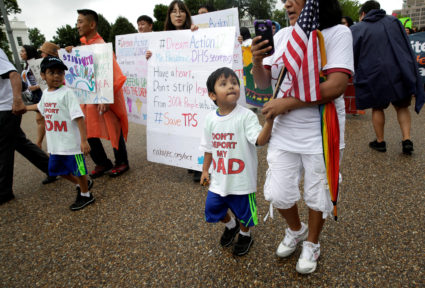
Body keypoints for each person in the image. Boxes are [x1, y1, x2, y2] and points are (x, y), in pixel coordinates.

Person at [251, 0, 353, 274]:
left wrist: (286, 104)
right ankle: (296, 229)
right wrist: (257, 60)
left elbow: (336, 85)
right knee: (278, 191)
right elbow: (262, 82)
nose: (286, 3)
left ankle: (312, 243)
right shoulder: (284, 35)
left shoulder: (337, 33)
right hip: (285, 131)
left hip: (320, 128)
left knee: (318, 192)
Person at [200, 67, 273, 256]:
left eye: (234, 82)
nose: (231, 86)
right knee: (212, 208)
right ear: (212, 95)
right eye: (223, 84)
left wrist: (269, 122)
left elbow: (258, 141)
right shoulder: (209, 119)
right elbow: (208, 148)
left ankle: (244, 234)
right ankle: (231, 226)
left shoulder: (246, 116)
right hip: (219, 180)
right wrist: (205, 171)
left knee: (245, 215)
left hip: (242, 181)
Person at [350, 0, 424, 155]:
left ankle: (380, 141)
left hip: (374, 73)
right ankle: (406, 139)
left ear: (363, 13)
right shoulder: (394, 21)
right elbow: (405, 45)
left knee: (377, 107)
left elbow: (353, 54)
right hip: (398, 69)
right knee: (402, 106)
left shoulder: (358, 28)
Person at [25, 56, 95, 211]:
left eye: (60, 72)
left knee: (79, 169)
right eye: (52, 72)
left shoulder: (67, 93)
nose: (56, 76)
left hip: (71, 143)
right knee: (55, 170)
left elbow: (79, 117)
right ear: (43, 75)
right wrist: (24, 108)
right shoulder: (46, 93)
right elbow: (40, 107)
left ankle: (86, 195)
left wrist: (83, 141)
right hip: (56, 143)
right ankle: (80, 184)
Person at [72, 9, 130, 177]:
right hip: (89, 97)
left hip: (106, 95)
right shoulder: (83, 47)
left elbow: (112, 73)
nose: (77, 26)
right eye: (77, 22)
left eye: (80, 22)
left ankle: (122, 162)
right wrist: (70, 52)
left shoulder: (102, 47)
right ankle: (102, 162)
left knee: (113, 127)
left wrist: (105, 97)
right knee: (88, 127)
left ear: (92, 24)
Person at [0, 48, 54, 204]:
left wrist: (17, 101)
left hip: (5, 109)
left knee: (4, 148)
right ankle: (52, 168)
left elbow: (14, 74)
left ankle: (3, 190)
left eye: (23, 51)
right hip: (6, 108)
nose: (21, 52)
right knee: (20, 143)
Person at [20, 45, 44, 149]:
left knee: (40, 119)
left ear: (29, 52)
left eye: (23, 51)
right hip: (35, 95)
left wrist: (36, 87)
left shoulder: (37, 64)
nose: (21, 53)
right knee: (40, 119)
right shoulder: (27, 66)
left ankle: (38, 144)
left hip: (42, 93)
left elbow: (45, 79)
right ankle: (38, 143)